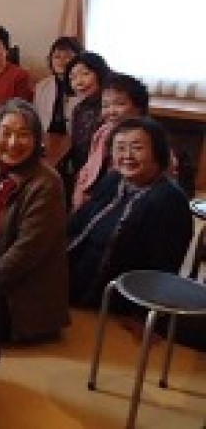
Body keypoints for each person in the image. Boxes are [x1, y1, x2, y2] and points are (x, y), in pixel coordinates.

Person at [0, 99, 69, 343]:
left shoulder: (47, 183)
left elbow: (26, 254)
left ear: (37, 140)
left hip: (21, 292)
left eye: (23, 135)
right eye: (6, 133)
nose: (12, 143)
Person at [67, 117, 193, 308]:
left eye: (137, 148)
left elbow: (161, 269)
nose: (127, 155)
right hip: (75, 278)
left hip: (117, 297)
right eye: (120, 148)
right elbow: (78, 223)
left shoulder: (169, 201)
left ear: (158, 152)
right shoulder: (113, 180)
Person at [71, 73, 149, 210]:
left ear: (138, 107)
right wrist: (80, 189)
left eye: (119, 104)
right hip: (94, 194)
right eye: (105, 105)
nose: (111, 111)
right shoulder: (103, 132)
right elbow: (90, 165)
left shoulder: (147, 138)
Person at [64, 51, 111, 178]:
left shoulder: (111, 108)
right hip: (83, 174)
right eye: (73, 78)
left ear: (100, 73)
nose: (79, 82)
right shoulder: (79, 109)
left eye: (85, 74)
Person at [32, 37, 82, 134]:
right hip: (47, 136)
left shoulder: (83, 85)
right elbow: (35, 118)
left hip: (75, 137)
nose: (61, 61)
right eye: (57, 57)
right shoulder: (42, 86)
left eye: (67, 57)